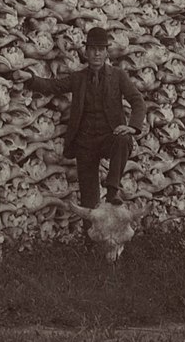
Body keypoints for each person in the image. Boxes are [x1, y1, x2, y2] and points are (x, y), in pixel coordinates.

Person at [23, 27, 146, 208]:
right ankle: (90, 236)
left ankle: (113, 190)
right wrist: (29, 78)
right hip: (85, 142)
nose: (97, 53)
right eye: (93, 49)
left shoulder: (118, 76)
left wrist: (133, 126)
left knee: (124, 139)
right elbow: (53, 86)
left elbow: (138, 101)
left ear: (106, 52)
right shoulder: (78, 78)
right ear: (86, 52)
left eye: (101, 49)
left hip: (108, 137)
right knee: (89, 200)